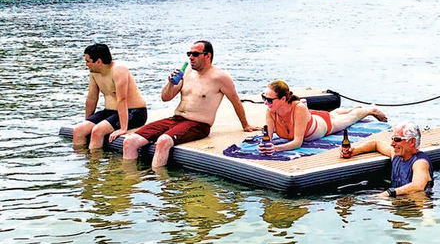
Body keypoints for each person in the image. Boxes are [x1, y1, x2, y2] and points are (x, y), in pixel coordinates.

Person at [123, 40, 258, 168]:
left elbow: (236, 101)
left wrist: (245, 125)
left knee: (163, 141)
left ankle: (159, 183)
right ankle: (129, 181)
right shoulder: (186, 73)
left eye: (195, 54)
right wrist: (170, 83)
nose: (191, 57)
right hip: (175, 120)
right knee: (129, 141)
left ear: (207, 56)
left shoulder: (220, 77)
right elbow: (165, 98)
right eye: (189, 54)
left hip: (198, 124)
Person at [258, 79, 388, 155]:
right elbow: (267, 138)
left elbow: (297, 143)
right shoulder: (271, 111)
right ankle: (352, 108)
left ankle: (370, 109)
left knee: (349, 119)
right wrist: (264, 145)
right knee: (333, 114)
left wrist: (276, 148)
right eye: (264, 98)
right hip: (312, 118)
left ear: (283, 99)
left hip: (323, 126)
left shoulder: (298, 108)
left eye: (269, 100)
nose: (265, 102)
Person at [72, 43, 148, 150]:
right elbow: (92, 98)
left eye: (88, 61)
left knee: (97, 131)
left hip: (134, 112)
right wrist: (88, 121)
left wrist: (123, 128)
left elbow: (122, 99)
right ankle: (82, 161)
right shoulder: (94, 72)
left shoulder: (119, 70)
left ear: (99, 61)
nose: (86, 64)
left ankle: (94, 163)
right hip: (110, 111)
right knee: (79, 130)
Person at [340, 120, 434, 197]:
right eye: (392, 139)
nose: (392, 144)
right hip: (399, 198)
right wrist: (354, 151)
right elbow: (376, 144)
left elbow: (418, 186)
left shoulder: (420, 163)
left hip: (414, 203)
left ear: (411, 141)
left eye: (397, 140)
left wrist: (388, 193)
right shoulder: (396, 155)